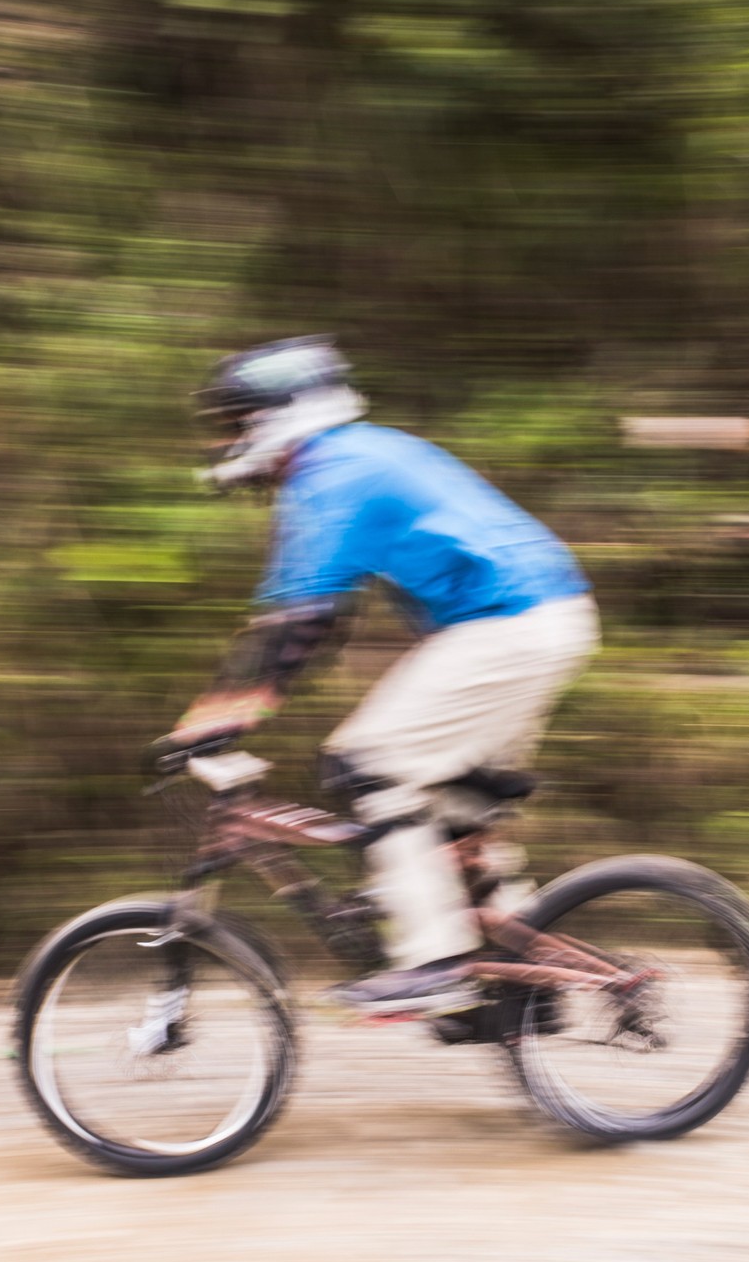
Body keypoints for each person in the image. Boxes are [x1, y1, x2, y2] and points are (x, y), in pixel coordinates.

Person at [165, 335, 598, 1014]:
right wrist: (231, 712)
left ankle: (436, 961)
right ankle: (520, 990)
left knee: (368, 763)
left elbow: (298, 624)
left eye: (236, 422)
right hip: (544, 619)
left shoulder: (333, 472)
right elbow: (319, 626)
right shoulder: (367, 451)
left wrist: (210, 725)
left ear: (275, 415)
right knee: (454, 812)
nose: (231, 440)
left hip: (509, 625)